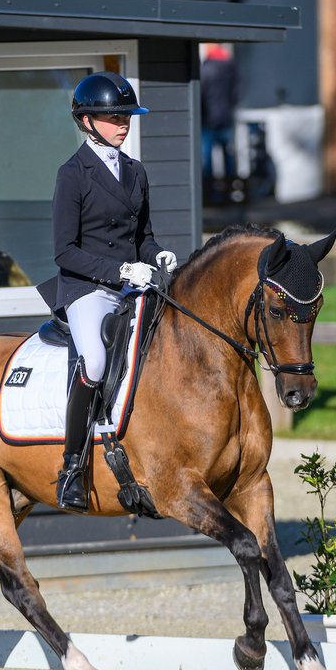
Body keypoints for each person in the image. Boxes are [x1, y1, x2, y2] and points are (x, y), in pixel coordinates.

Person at [50, 71, 177, 512]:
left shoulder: (135, 172)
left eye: (127, 115)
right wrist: (121, 269)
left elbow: (144, 235)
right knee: (98, 361)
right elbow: (64, 252)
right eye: (114, 116)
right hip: (89, 288)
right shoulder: (73, 174)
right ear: (86, 121)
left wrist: (158, 255)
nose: (124, 123)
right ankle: (71, 466)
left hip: (133, 283)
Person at [200, 42, 239, 204]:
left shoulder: (206, 68)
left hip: (208, 120)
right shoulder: (231, 67)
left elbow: (201, 94)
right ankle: (230, 192)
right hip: (226, 118)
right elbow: (236, 92)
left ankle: (209, 195)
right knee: (229, 156)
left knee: (207, 159)